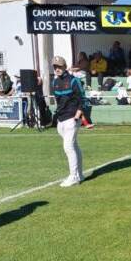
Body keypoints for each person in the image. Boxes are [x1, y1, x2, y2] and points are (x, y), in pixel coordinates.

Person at [51, 56, 85, 187]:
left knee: (68, 147)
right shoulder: (54, 82)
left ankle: (73, 176)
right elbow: (59, 101)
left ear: (64, 67)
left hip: (72, 118)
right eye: (55, 67)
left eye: (59, 66)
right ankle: (79, 175)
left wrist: (78, 114)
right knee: (74, 146)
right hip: (61, 119)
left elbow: (82, 98)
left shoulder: (73, 80)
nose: (57, 69)